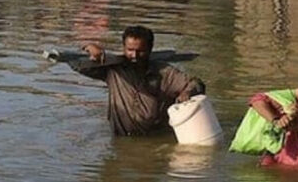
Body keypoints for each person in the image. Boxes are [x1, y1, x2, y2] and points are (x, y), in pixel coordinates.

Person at [71, 25, 205, 136]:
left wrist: (187, 92)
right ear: (123, 48)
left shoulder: (163, 72)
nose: (134, 56)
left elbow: (196, 84)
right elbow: (77, 66)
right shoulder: (112, 70)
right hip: (121, 137)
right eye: (130, 50)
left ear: (150, 49)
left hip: (155, 139)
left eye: (140, 51)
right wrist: (88, 47)